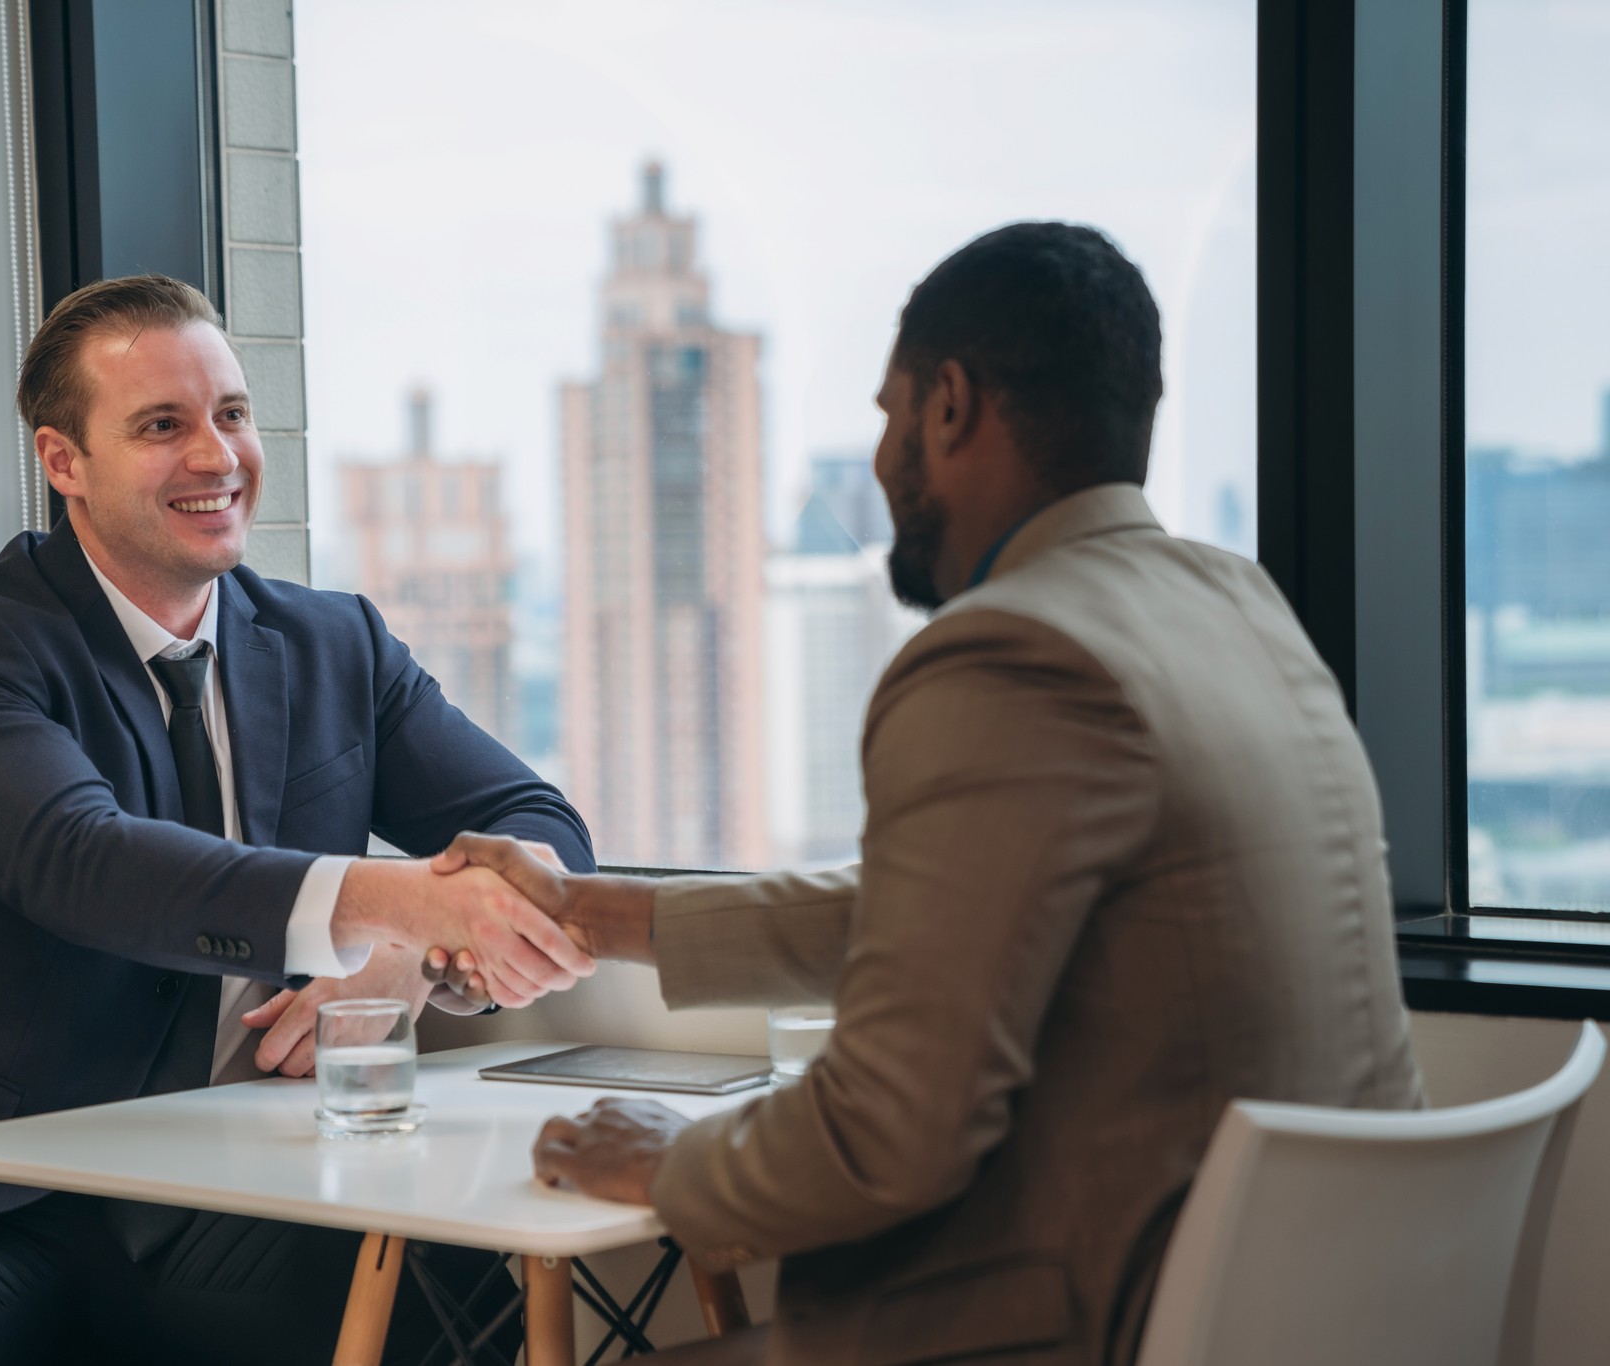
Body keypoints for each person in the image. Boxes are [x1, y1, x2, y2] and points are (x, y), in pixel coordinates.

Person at [433, 222, 1425, 1366]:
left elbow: (889, 1134)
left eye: (887, 412)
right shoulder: (1236, 606)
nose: (879, 455)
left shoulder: (1010, 649)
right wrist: (584, 911)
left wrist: (667, 1161)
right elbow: (929, 912)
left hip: (1095, 1325)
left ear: (948, 405)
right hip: (1306, 1315)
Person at [0, 274, 596, 1365]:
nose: (216, 456)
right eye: (162, 425)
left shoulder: (340, 645)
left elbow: (536, 826)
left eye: (231, 415)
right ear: (64, 462)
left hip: (248, 1184)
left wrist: (407, 963)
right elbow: (86, 861)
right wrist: (397, 899)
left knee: (456, 1287)